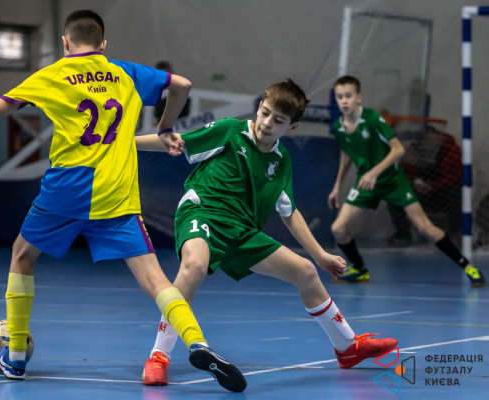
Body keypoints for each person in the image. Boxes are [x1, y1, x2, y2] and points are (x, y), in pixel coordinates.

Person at [0, 10, 246, 392]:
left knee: (22, 256)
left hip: (67, 190)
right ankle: (197, 342)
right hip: (116, 192)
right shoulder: (125, 72)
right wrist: (165, 126)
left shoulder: (53, 75)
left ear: (64, 42)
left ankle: (17, 356)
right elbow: (183, 85)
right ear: (103, 44)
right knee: (156, 279)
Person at [135, 79, 398, 386]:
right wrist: (122, 142)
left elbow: (289, 212)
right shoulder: (230, 130)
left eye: (278, 120)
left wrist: (320, 255)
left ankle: (347, 347)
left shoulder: (281, 161)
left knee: (306, 272)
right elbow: (174, 141)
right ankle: (158, 357)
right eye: (265, 113)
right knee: (194, 267)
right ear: (259, 108)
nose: (267, 123)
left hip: (242, 229)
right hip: (202, 211)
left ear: (292, 128)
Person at [327, 76, 485, 287]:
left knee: (424, 226)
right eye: (339, 97)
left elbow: (398, 149)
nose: (344, 100)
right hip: (366, 183)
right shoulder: (338, 127)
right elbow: (347, 153)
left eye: (348, 95)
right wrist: (337, 185)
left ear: (358, 97)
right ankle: (360, 269)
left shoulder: (372, 118)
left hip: (392, 180)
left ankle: (469, 267)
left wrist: (374, 172)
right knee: (338, 228)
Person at [387, 125, 462, 246]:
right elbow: (404, 175)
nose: (429, 142)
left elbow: (454, 176)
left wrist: (433, 186)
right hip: (422, 193)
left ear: (437, 136)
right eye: (425, 139)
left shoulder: (450, 149)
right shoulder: (413, 150)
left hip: (445, 193)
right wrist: (414, 184)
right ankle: (403, 234)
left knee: (457, 192)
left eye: (432, 138)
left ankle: (454, 234)